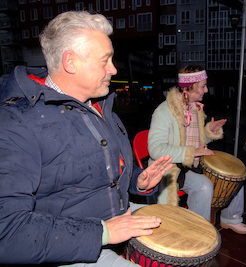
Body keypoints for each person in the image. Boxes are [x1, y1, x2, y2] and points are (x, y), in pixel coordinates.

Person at [0, 11, 173, 266]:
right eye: (105, 61)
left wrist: (139, 180)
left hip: (118, 216)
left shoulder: (99, 105)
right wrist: (104, 232)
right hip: (69, 244)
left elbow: (101, 173)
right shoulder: (17, 123)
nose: (113, 69)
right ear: (70, 62)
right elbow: (8, 233)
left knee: (177, 228)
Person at [148, 65, 246, 235]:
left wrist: (210, 131)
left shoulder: (194, 108)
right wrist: (192, 152)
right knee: (203, 186)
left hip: (191, 164)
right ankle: (198, 232)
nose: (206, 90)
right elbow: (155, 149)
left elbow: (196, 139)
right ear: (189, 87)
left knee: (234, 174)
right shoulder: (164, 111)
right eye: (202, 86)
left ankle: (230, 218)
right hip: (170, 168)